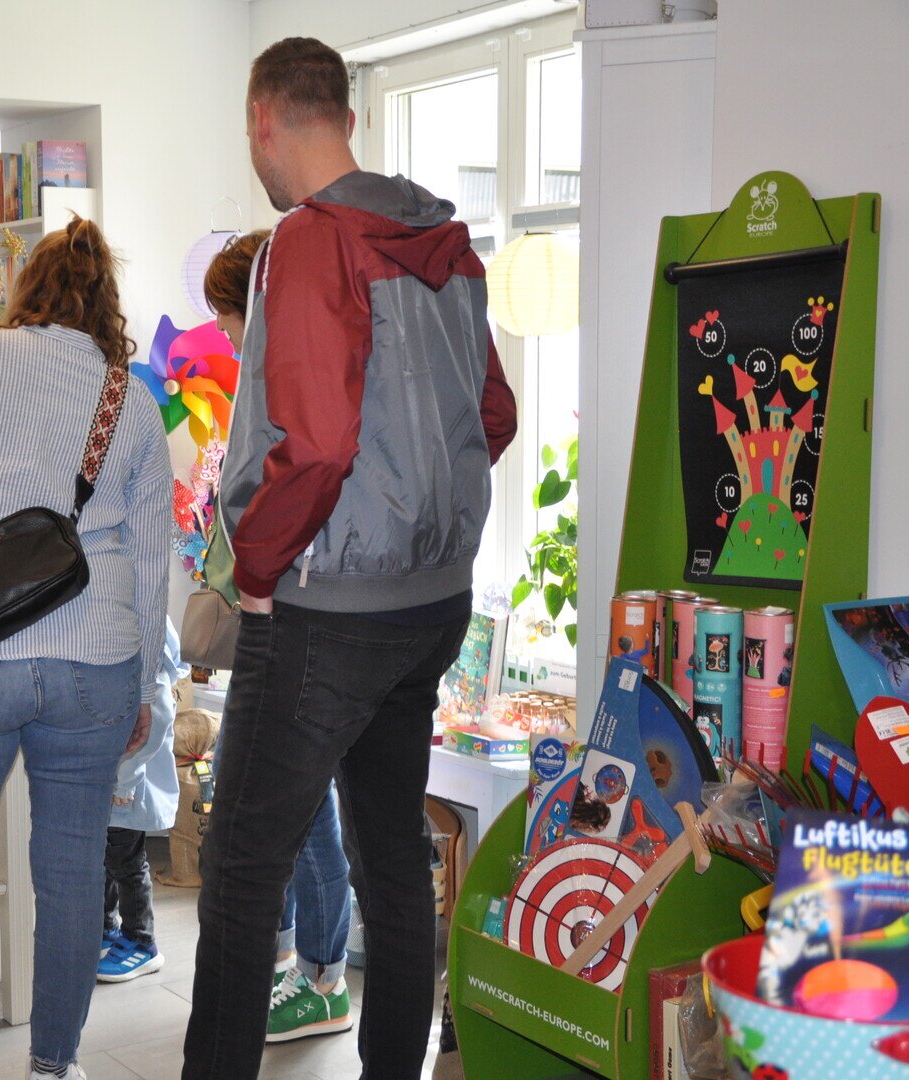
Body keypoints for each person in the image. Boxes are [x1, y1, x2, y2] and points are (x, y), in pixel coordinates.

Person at [183, 37, 517, 1080]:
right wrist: (418, 505)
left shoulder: (309, 242)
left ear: (265, 120)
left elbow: (318, 445)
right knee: (393, 862)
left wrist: (257, 569)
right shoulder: (446, 242)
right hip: (432, 604)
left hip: (324, 610)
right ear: (348, 115)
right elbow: (494, 416)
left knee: (243, 870)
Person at [0, 216, 172, 1080]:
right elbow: (153, 559)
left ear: (29, 291)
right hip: (94, 659)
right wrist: (146, 688)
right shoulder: (130, 397)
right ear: (105, 302)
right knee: (71, 871)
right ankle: (55, 1066)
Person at [204, 230, 357, 1043]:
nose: (224, 333)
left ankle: (326, 977)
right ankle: (298, 958)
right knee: (288, 798)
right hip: (291, 612)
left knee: (307, 805)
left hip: (302, 613)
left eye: (226, 316)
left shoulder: (289, 369)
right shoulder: (272, 371)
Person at [98, 618, 184, 984]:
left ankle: (141, 941)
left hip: (129, 788)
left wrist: (125, 783)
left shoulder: (151, 668)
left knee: (126, 862)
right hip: (116, 784)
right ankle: (106, 928)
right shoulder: (133, 640)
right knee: (104, 859)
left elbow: (150, 729)